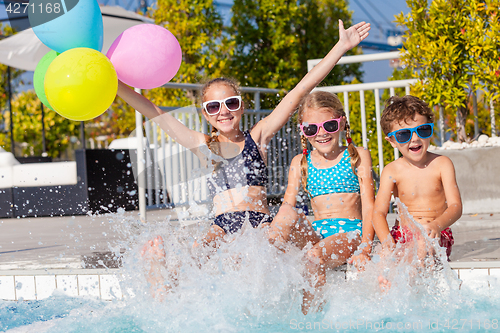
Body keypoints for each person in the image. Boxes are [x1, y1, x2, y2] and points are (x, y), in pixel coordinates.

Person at [118, 20, 371, 249]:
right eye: (214, 107)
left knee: (262, 246)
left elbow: (300, 90)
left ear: (242, 105)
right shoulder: (202, 145)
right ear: (206, 115)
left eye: (231, 103)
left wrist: (340, 48)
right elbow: (154, 112)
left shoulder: (258, 137)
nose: (223, 112)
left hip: (259, 225)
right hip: (220, 228)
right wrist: (115, 85)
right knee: (191, 252)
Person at [267, 91, 375, 315]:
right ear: (303, 131)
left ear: (342, 122)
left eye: (329, 125)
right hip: (317, 233)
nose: (321, 133)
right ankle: (265, 267)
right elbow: (287, 208)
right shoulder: (300, 162)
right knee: (285, 214)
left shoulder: (357, 156)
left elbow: (370, 206)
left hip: (350, 233)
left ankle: (309, 322)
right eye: (311, 129)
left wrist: (365, 247)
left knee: (314, 257)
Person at [372, 95, 462, 286]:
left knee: (420, 244)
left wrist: (437, 226)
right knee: (381, 252)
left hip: (435, 233)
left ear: (430, 130)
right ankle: (385, 290)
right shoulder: (391, 170)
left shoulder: (441, 164)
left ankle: (406, 287)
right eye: (404, 134)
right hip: (402, 233)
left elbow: (455, 206)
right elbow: (378, 213)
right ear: (392, 141)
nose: (415, 138)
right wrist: (388, 243)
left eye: (422, 130)